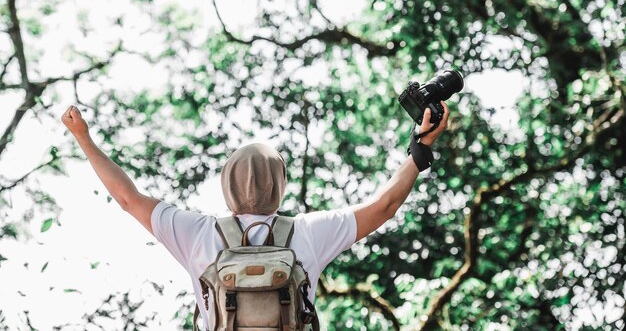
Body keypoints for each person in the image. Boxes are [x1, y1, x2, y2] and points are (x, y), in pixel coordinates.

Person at [61, 101, 449, 329]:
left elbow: (128, 199)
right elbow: (384, 206)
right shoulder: (309, 232)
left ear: (226, 185)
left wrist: (84, 138)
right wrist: (419, 149)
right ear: (280, 184)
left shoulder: (196, 232)